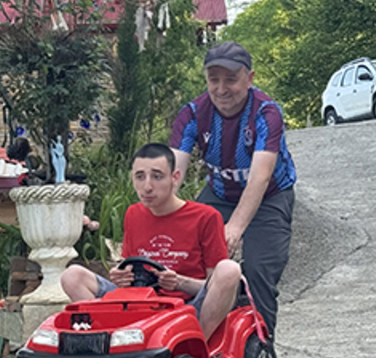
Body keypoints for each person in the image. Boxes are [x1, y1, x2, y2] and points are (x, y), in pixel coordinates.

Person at [170, 41, 296, 338]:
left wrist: (235, 228)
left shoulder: (267, 113)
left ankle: (260, 351)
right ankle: (196, 340)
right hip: (219, 194)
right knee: (188, 263)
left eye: (231, 79)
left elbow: (260, 178)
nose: (222, 89)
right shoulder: (192, 114)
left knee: (258, 271)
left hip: (270, 197)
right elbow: (173, 174)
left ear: (249, 78)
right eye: (214, 80)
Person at [60, 143, 242, 340]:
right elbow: (131, 267)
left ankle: (198, 342)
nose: (147, 187)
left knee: (229, 270)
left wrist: (180, 282)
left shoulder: (205, 217)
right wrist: (120, 275)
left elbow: (214, 285)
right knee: (72, 275)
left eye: (157, 177)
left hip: (186, 308)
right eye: (140, 177)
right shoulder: (133, 214)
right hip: (140, 304)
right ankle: (108, 337)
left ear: (175, 178)